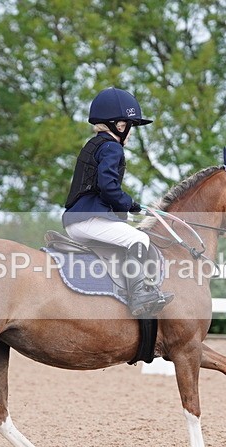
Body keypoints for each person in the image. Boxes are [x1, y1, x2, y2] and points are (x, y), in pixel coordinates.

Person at [62, 87, 173, 316]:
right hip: (88, 219)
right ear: (119, 125)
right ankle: (141, 296)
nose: (130, 132)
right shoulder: (112, 147)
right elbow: (108, 187)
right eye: (130, 126)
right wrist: (130, 204)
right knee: (139, 237)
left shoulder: (93, 144)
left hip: (76, 219)